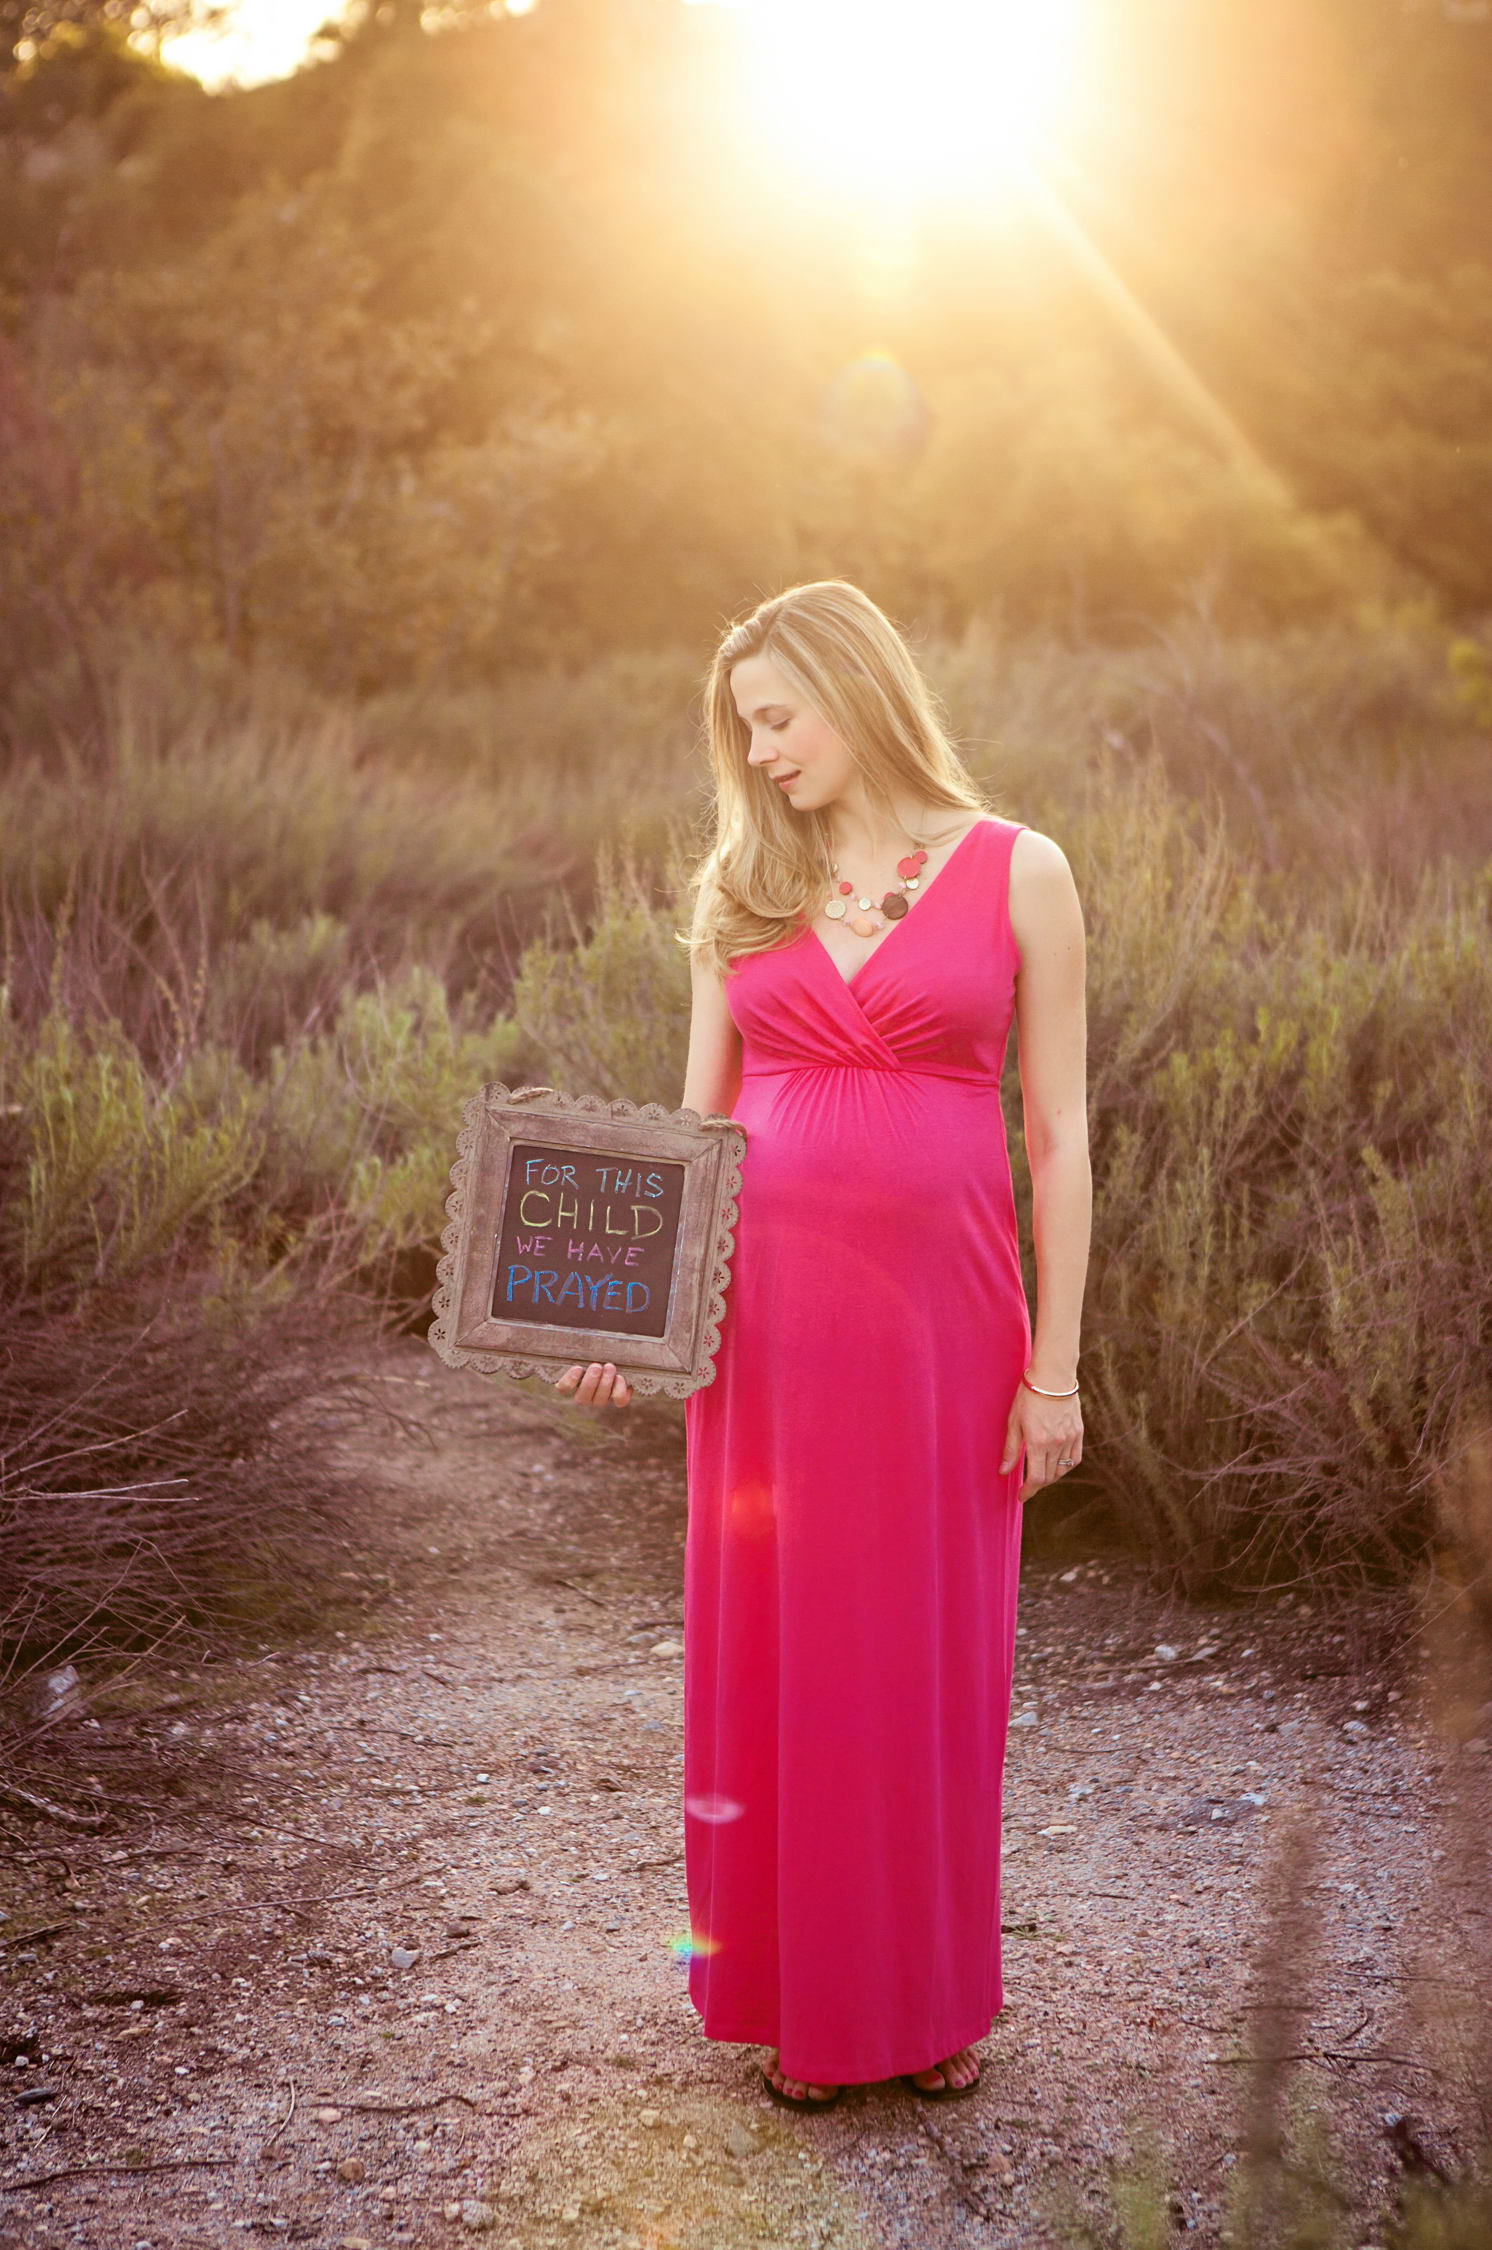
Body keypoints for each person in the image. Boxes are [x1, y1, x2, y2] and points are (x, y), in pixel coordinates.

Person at [557, 581, 1090, 2107]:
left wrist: (1055, 1368)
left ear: (857, 688)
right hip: (770, 1338)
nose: (763, 749)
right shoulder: (745, 880)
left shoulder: (1022, 871)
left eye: (780, 716)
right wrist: (626, 1319)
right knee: (786, 1642)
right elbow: (700, 1126)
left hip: (946, 1331)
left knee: (927, 1655)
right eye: (747, 728)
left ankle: (925, 2000)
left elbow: (1057, 1138)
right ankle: (802, 1999)